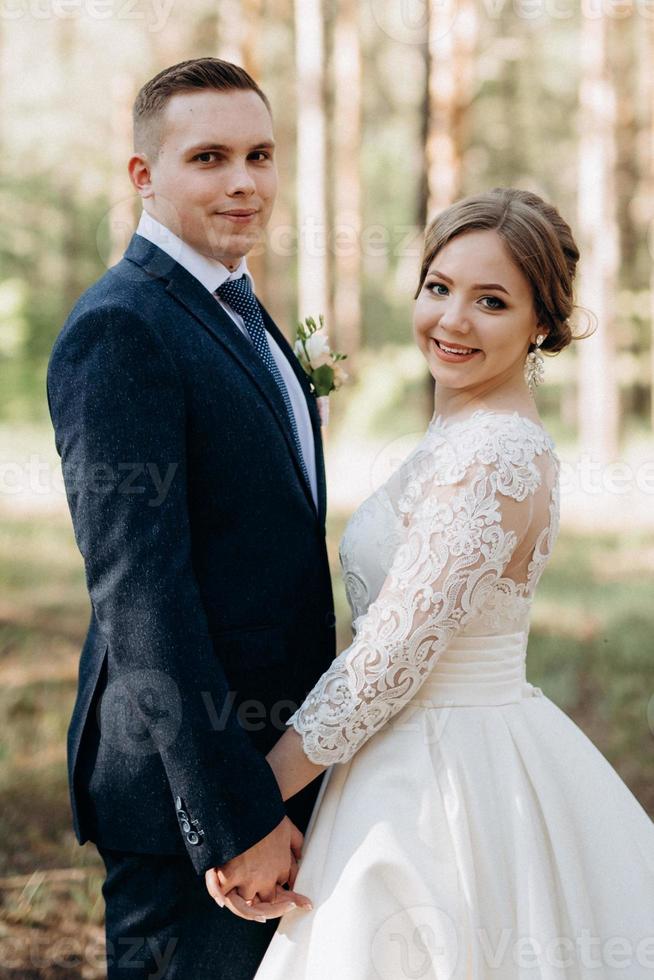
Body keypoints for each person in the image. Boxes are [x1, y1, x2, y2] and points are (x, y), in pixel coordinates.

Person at [231, 188, 654, 979]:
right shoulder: (458, 433)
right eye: (439, 287)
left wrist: (251, 805)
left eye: (491, 301)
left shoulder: (496, 454)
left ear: (542, 324)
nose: (452, 320)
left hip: (443, 776)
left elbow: (391, 655)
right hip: (395, 752)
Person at [46, 58, 335, 979]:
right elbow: (141, 594)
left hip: (270, 761)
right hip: (190, 789)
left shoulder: (235, 307)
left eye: (260, 154)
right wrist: (235, 813)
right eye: (209, 157)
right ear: (144, 175)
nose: (244, 182)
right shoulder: (122, 328)